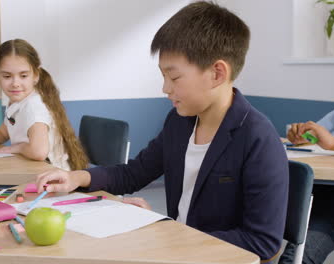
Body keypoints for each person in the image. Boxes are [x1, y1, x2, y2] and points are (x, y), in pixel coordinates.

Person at [35, 2, 288, 262]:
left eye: (174, 77)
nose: (165, 88)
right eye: (163, 76)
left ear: (217, 73)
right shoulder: (179, 123)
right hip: (176, 251)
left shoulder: (258, 138)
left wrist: (168, 230)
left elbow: (262, 242)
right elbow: (133, 174)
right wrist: (76, 177)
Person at [0, 39, 88, 171]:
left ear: (35, 76)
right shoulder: (17, 101)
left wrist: (19, 147)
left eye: (23, 76)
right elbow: (2, 132)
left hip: (52, 177)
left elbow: (39, 152)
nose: (15, 83)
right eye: (7, 76)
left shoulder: (33, 106)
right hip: (34, 171)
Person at [280, 95, 334, 264]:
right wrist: (303, 136)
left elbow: (331, 141)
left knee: (296, 258)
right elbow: (320, 132)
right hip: (321, 180)